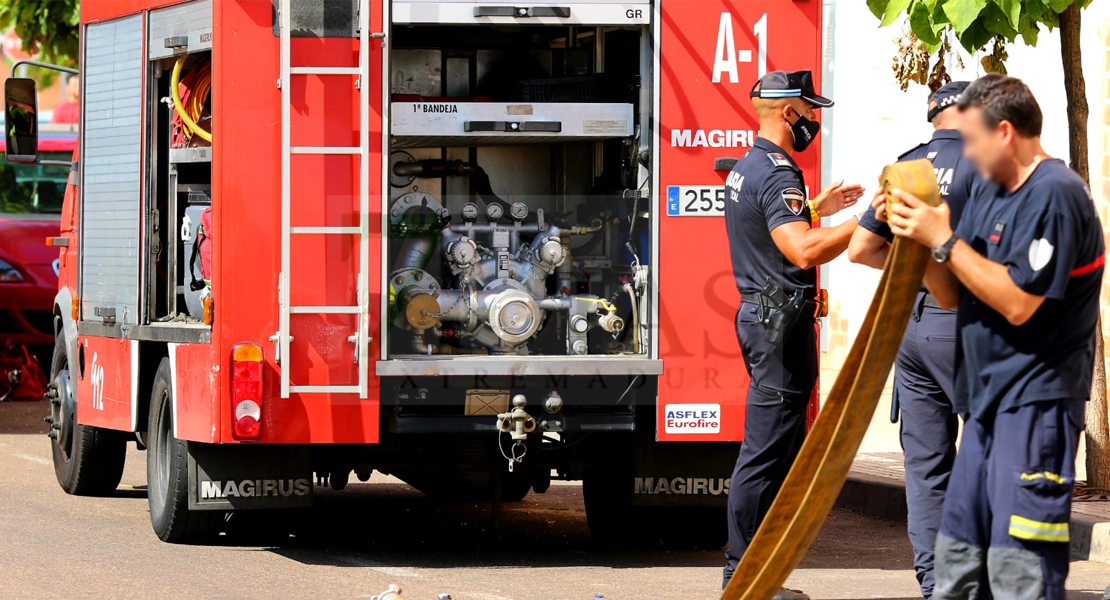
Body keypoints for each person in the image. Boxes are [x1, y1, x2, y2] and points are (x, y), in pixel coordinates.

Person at [882, 74, 1104, 600]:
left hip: (1036, 408)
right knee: (957, 564)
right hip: (985, 403)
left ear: (1004, 133)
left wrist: (943, 238)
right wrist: (918, 240)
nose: (966, 154)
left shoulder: (1056, 195)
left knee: (1019, 571)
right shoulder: (987, 189)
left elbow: (1018, 302)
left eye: (973, 141)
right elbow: (955, 293)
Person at [722, 69, 865, 598]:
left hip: (764, 318)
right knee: (766, 451)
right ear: (789, 112)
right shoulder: (780, 171)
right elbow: (801, 251)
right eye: (810, 110)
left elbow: (771, 226)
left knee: (773, 448)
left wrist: (816, 210)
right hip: (778, 325)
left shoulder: (751, 163)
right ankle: (745, 575)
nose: (814, 119)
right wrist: (869, 219)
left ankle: (754, 572)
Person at [847, 81, 975, 600]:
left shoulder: (906, 168)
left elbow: (860, 248)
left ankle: (935, 582)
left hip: (913, 328)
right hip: (968, 321)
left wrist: (919, 274)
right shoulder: (987, 163)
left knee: (926, 463)